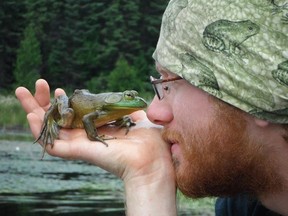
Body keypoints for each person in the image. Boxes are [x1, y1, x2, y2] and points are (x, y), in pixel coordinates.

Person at [15, 0, 288, 215]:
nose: (154, 114)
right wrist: (148, 178)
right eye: (158, 84)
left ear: (258, 95)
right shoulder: (241, 204)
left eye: (169, 85)